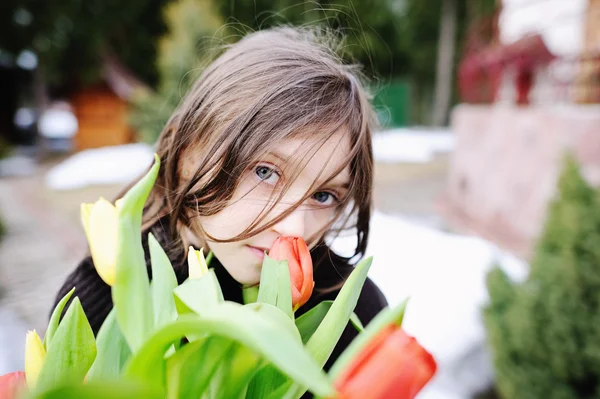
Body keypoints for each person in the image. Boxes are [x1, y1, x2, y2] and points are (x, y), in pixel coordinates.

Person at [54, 26, 388, 375]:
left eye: (323, 195)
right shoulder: (105, 297)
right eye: (265, 172)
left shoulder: (351, 313)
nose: (295, 228)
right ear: (187, 159)